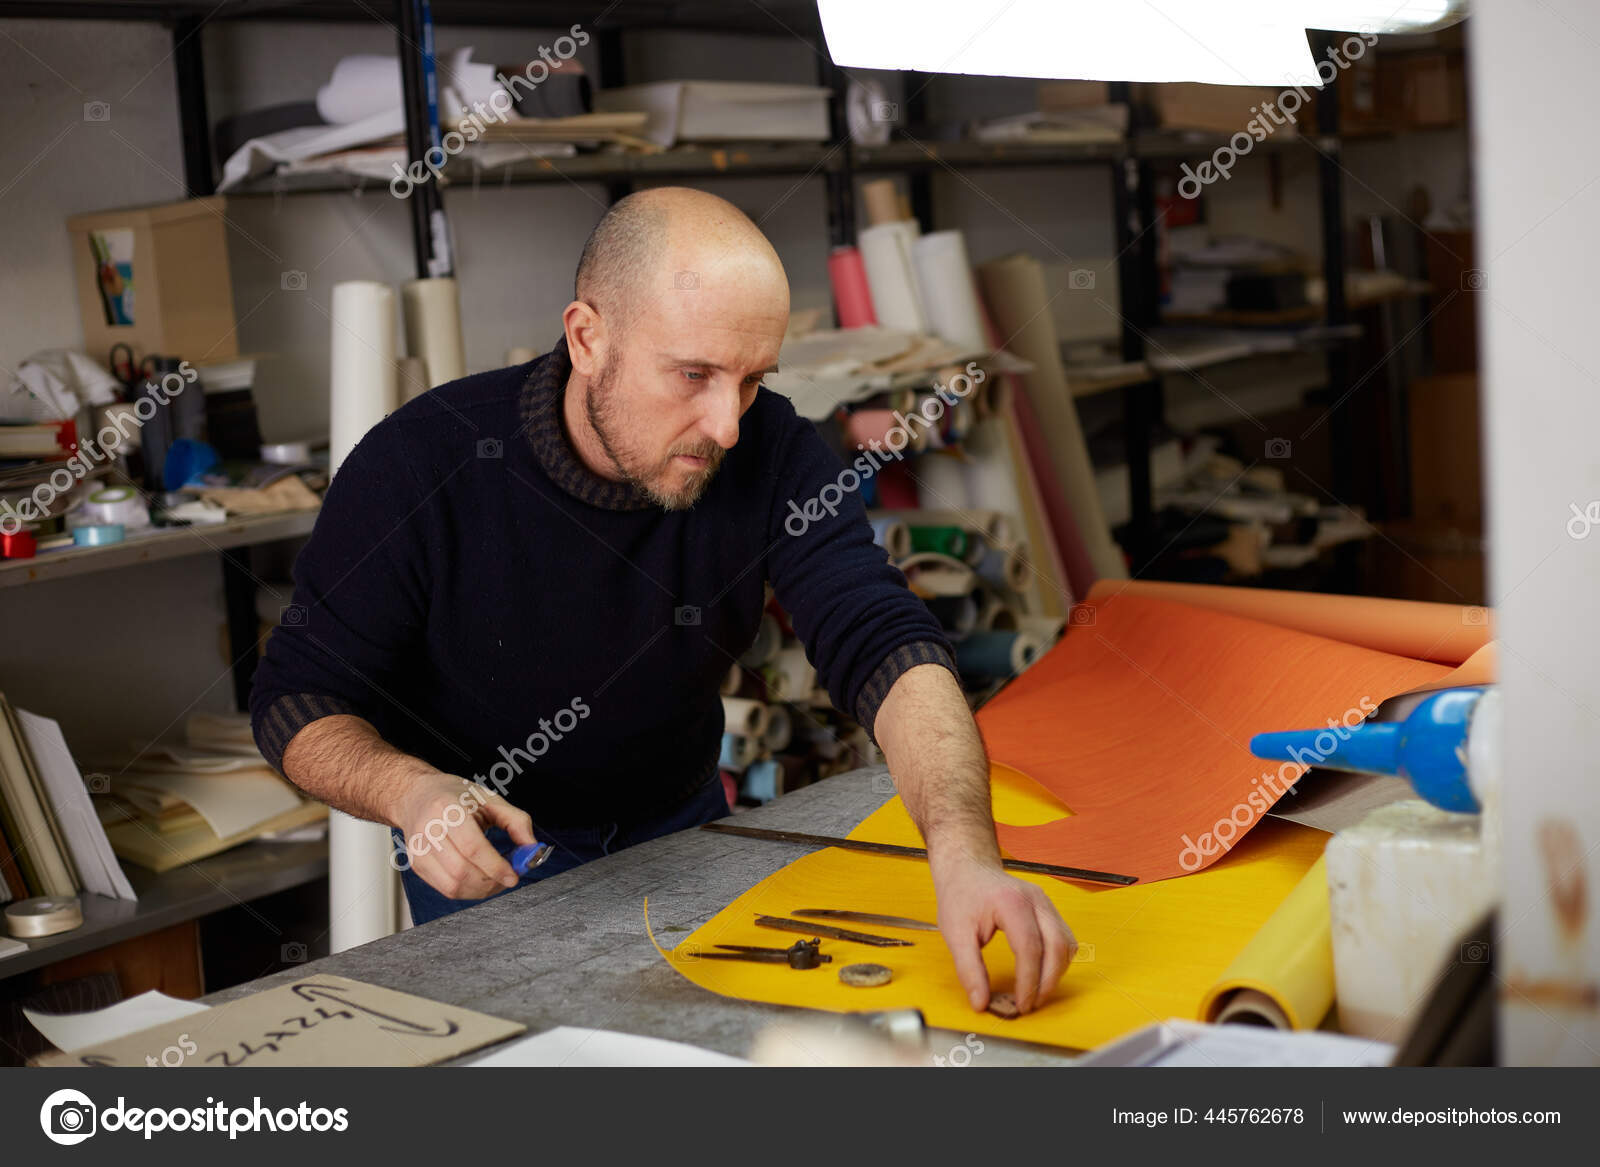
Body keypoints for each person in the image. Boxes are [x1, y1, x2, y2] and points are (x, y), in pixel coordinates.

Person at [250, 187, 1074, 1013]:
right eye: (693, 374)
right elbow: (294, 697)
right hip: (496, 852)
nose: (725, 425)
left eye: (752, 378)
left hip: (682, 824)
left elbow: (883, 640)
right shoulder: (421, 462)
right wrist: (408, 791)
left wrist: (965, 855)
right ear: (587, 337)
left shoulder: (772, 448)